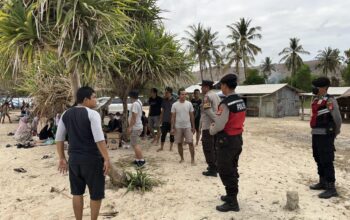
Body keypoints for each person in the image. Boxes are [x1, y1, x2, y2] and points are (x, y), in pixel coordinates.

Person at [55, 86, 111, 220]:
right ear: (86, 99)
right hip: (92, 160)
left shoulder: (66, 114)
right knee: (96, 194)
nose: (96, 100)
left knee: (77, 193)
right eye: (94, 97)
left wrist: (62, 158)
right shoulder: (92, 114)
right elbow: (99, 139)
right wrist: (107, 158)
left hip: (74, 160)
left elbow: (59, 138)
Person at [210, 74, 246, 212]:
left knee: (225, 169)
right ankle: (231, 195)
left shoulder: (225, 104)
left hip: (226, 140)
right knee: (232, 167)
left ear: (225, 85)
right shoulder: (240, 101)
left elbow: (219, 125)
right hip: (237, 138)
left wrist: (211, 131)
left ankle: (232, 201)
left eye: (222, 85)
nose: (221, 87)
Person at [309, 77, 342, 199]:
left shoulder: (330, 101)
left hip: (326, 135)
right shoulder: (316, 100)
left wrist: (334, 134)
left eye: (316, 87)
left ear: (323, 88)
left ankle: (331, 187)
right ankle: (322, 181)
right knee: (318, 157)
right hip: (316, 134)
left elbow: (338, 119)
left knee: (327, 160)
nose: (314, 89)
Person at [200, 80, 221, 177]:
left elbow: (207, 110)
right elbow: (220, 109)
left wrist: (215, 119)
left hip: (208, 126)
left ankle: (212, 169)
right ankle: (215, 166)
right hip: (215, 126)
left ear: (207, 87)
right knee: (214, 147)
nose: (201, 88)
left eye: (202, 86)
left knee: (208, 147)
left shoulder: (207, 96)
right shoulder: (216, 95)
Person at [171, 88, 196, 165]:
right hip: (178, 127)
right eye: (182, 94)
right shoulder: (174, 104)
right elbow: (173, 117)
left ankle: (192, 159)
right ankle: (182, 158)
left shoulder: (189, 104)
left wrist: (193, 126)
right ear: (179, 95)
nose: (184, 95)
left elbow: (192, 116)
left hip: (188, 126)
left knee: (190, 143)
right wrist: (172, 127)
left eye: (185, 94)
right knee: (179, 143)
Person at [127, 90, 146, 167]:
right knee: (134, 143)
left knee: (135, 144)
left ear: (131, 97)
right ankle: (137, 159)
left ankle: (141, 160)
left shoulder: (135, 104)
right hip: (138, 126)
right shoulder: (139, 102)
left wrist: (130, 127)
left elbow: (134, 117)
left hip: (135, 127)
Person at [157, 87, 175, 152]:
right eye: (165, 92)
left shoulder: (174, 101)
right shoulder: (164, 101)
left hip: (172, 121)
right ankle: (161, 147)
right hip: (165, 120)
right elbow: (162, 111)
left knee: (172, 134)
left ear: (170, 93)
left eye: (167, 92)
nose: (165, 94)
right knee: (163, 134)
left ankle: (171, 148)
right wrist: (160, 120)